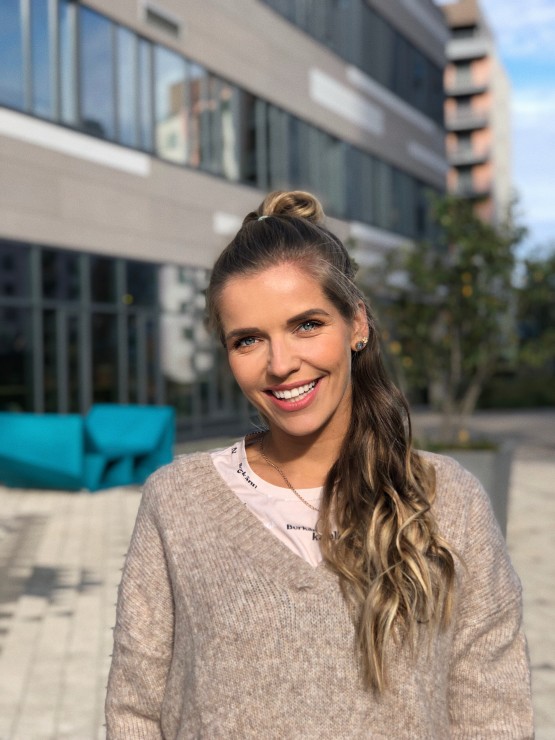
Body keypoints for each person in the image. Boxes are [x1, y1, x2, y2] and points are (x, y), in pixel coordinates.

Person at [105, 190, 533, 738]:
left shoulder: (447, 499)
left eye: (306, 324)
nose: (281, 364)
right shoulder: (177, 501)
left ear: (357, 325)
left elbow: (494, 712)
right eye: (248, 340)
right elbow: (135, 712)